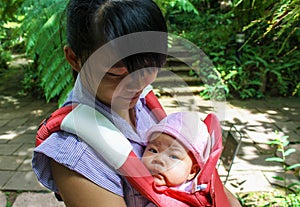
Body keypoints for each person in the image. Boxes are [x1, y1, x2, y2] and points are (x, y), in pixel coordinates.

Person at [32, 0, 241, 206]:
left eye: (149, 68)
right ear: (74, 59)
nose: (136, 84)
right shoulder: (76, 153)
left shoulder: (144, 103)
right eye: (116, 74)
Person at [141, 112, 211, 192]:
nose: (159, 159)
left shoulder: (191, 198)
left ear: (192, 171)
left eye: (173, 156)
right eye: (153, 150)